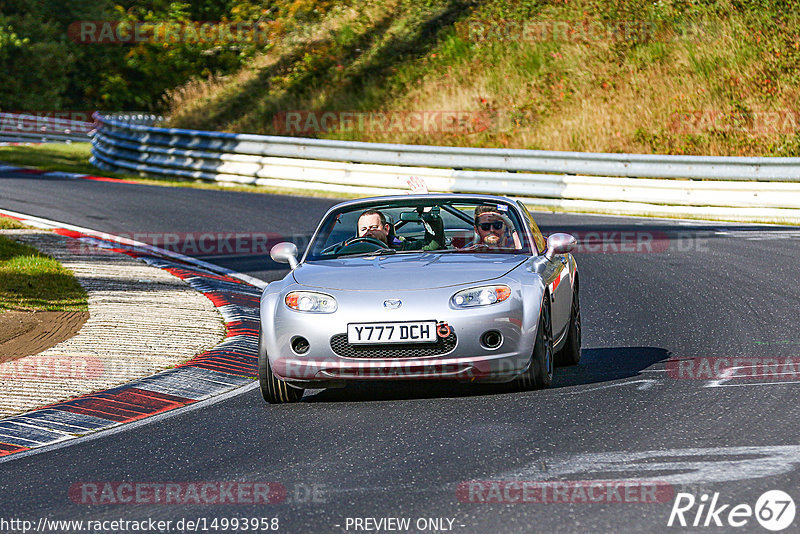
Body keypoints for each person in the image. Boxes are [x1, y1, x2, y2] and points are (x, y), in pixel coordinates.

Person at [355, 208, 444, 251]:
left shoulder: (400, 245)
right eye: (363, 229)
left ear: (386, 229)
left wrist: (427, 212)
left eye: (373, 228)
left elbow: (433, 245)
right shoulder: (349, 250)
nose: (368, 233)